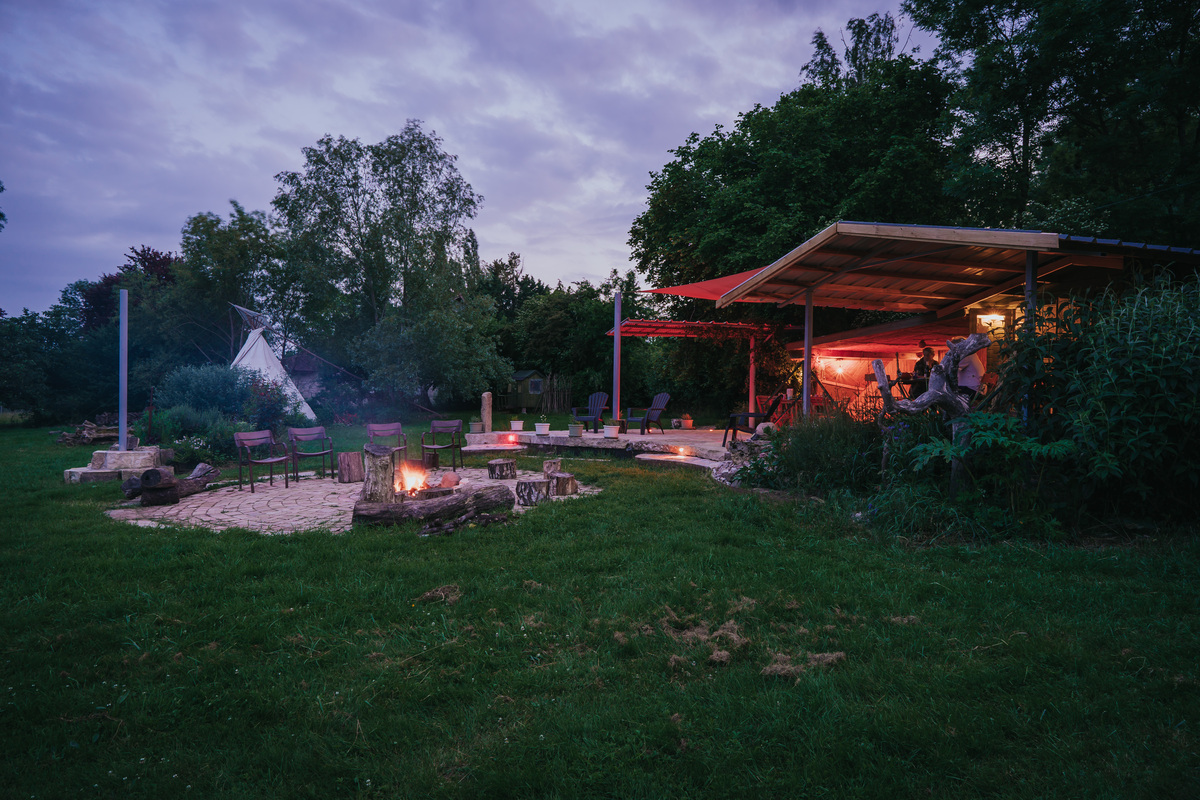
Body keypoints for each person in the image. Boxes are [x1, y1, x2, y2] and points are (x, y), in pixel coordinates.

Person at [951, 337, 984, 402]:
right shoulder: (970, 354)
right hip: (975, 387)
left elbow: (953, 368)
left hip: (971, 389)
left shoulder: (967, 355)